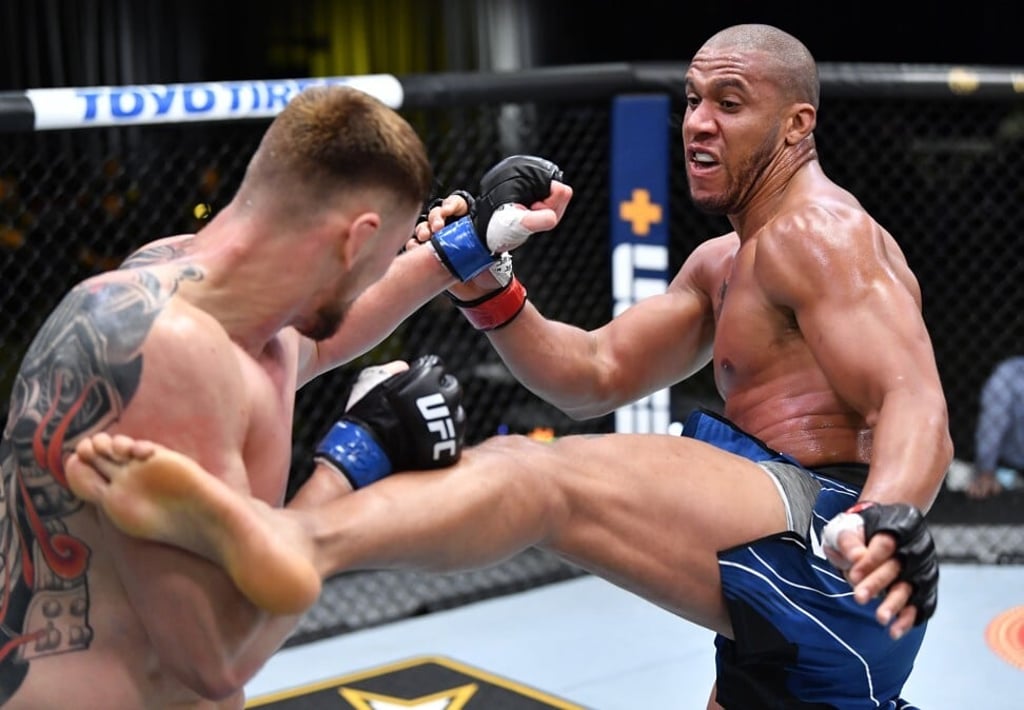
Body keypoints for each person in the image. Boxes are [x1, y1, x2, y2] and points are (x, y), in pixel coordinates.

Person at [64, 24, 951, 710]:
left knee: (535, 479)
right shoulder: (725, 266)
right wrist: (488, 282)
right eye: (690, 100)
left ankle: (297, 537)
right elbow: (591, 372)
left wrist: (891, 512)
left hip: (834, 545)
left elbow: (912, 396)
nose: (697, 123)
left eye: (729, 101)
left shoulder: (820, 235)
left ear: (798, 124)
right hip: (796, 591)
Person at [0, 83, 568, 710]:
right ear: (353, 241)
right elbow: (214, 658)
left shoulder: (205, 291)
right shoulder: (164, 352)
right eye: (382, 258)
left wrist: (464, 247)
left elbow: (317, 343)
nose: (381, 274)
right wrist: (354, 462)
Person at [965, 355, 1024, 499]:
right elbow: (993, 423)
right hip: (1011, 470)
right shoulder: (1009, 374)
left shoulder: (1008, 373)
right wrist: (986, 472)